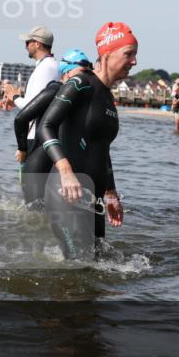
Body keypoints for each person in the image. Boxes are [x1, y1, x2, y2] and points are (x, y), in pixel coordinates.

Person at [37, 23, 137, 260]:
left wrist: (111, 192)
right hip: (65, 192)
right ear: (106, 54)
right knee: (77, 272)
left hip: (94, 198)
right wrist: (66, 170)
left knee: (98, 267)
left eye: (135, 55)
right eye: (128, 54)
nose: (134, 61)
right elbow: (46, 127)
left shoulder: (108, 97)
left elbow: (102, 149)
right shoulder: (80, 83)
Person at [14, 49, 93, 206]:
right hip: (39, 164)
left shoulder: (80, 98)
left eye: (89, 72)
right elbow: (21, 119)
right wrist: (23, 150)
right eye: (83, 71)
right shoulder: (56, 89)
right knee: (34, 217)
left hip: (57, 165)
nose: (87, 76)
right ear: (67, 73)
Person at [2, 26, 59, 152]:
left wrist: (14, 97)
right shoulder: (52, 65)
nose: (25, 46)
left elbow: (31, 106)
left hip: (37, 135)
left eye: (28, 42)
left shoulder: (45, 68)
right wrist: (16, 100)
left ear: (37, 44)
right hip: (45, 133)